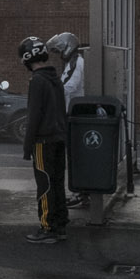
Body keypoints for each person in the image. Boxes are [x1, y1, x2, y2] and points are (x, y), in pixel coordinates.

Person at [19, 36, 69, 243]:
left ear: (26, 59)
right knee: (57, 182)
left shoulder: (37, 81)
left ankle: (47, 227)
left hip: (43, 141)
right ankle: (60, 224)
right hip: (58, 138)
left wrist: (27, 145)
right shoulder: (54, 78)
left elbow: (34, 116)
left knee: (45, 184)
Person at [47, 31, 89, 209]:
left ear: (66, 48)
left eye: (58, 51)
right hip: (71, 113)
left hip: (74, 115)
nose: (58, 55)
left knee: (77, 156)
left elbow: (70, 86)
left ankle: (81, 192)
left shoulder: (76, 63)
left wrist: (51, 91)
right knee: (73, 155)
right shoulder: (72, 63)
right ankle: (79, 191)